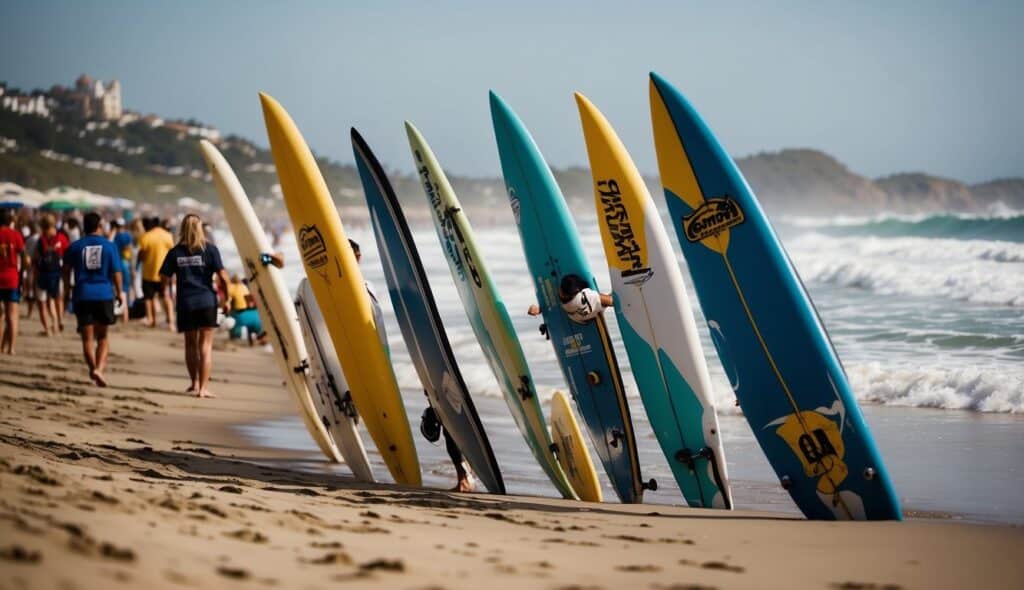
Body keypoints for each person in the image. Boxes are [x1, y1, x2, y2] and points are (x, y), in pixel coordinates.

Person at [159, 214, 229, 398]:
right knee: (205, 346)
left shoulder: (176, 252)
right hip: (206, 301)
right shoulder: (211, 250)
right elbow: (223, 276)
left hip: (186, 302)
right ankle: (203, 389)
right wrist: (227, 299)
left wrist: (166, 293)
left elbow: (163, 277)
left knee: (190, 345)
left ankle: (194, 383)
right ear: (201, 229)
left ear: (182, 228)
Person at [62, 212, 122, 386]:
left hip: (82, 294)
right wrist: (119, 293)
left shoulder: (75, 247)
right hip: (103, 294)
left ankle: (92, 368)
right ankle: (99, 369)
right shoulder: (110, 246)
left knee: (87, 338)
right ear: (99, 226)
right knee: (103, 336)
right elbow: (116, 273)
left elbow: (65, 272)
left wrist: (66, 293)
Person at [34, 213, 70, 335]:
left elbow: (36, 259)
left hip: (43, 275)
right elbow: (68, 256)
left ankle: (48, 329)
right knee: (57, 299)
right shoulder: (62, 238)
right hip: (57, 274)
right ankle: (59, 320)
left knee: (43, 303)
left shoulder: (41, 240)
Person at [527, 273, 614, 324]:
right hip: (592, 310)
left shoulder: (565, 304)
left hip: (579, 318)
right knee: (608, 297)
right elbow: (612, 301)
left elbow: (554, 306)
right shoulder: (588, 296)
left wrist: (539, 309)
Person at [138, 216, 175, 330]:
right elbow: (172, 253)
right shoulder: (168, 236)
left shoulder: (146, 236)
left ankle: (151, 320)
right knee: (165, 296)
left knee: (149, 298)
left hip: (148, 273)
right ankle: (171, 322)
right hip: (165, 273)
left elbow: (142, 256)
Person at [0, 209, 26, 354]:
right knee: (12, 315)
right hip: (11, 277)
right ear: (10, 221)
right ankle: (11, 348)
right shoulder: (15, 235)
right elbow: (25, 256)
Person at [225, 274, 266, 345]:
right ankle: (258, 338)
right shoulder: (247, 287)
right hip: (256, 315)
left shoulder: (231, 288)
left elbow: (227, 303)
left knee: (231, 314)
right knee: (254, 324)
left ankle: (235, 335)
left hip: (240, 317)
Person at [108, 219, 134, 323]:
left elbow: (109, 244)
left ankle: (123, 315)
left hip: (117, 264)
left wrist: (113, 232)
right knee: (125, 290)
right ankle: (126, 316)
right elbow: (129, 250)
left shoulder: (114, 236)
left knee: (119, 290)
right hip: (126, 263)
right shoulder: (127, 235)